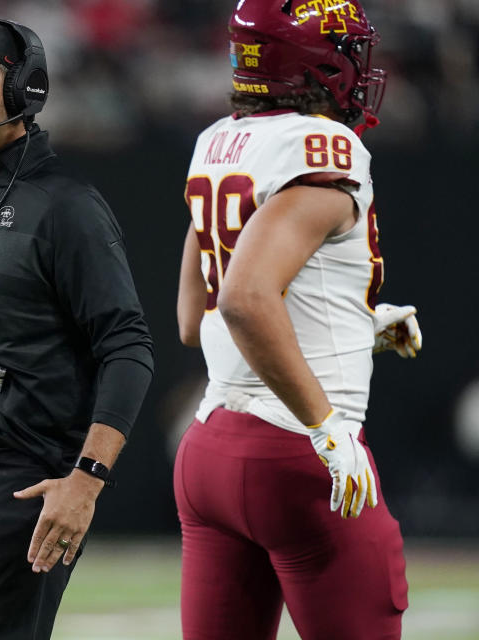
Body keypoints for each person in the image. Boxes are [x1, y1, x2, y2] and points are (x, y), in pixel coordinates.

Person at [174, 2, 423, 639]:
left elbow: (193, 316)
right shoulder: (323, 146)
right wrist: (327, 429)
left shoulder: (216, 143)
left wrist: (356, 325)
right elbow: (244, 299)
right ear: (317, 61)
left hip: (208, 451)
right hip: (292, 455)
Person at [0, 19, 154, 639]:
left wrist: (88, 479)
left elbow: (127, 347)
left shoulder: (66, 205)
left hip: (21, 488)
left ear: (23, 92)